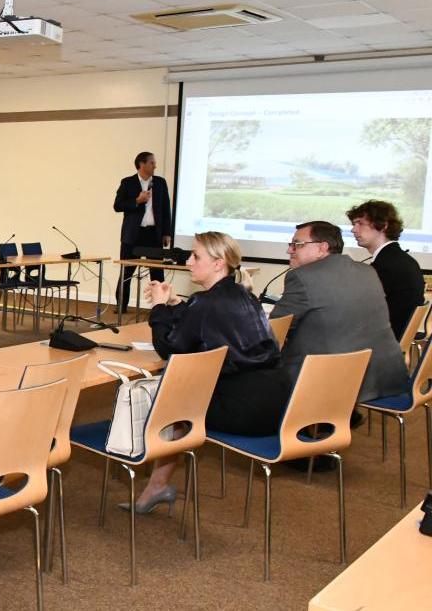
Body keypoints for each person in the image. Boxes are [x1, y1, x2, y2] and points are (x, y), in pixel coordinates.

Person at [125, 232, 289, 512]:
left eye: (195, 256)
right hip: (279, 403)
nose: (188, 262)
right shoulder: (243, 294)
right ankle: (157, 486)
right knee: (185, 395)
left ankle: (156, 486)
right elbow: (198, 323)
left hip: (245, 411)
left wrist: (160, 309)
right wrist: (176, 305)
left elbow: (170, 348)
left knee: (173, 406)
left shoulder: (206, 301)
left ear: (218, 263)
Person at [270, 221, 408, 403]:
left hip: (334, 382)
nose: (290, 250)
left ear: (322, 248)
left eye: (297, 244)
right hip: (384, 376)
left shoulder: (302, 277)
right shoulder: (367, 271)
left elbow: (275, 329)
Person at [346, 200, 425, 340]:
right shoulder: (399, 259)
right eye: (354, 224)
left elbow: (358, 308)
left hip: (381, 342)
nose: (353, 229)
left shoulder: (387, 265)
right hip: (393, 339)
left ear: (383, 226)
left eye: (360, 224)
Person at [113, 151, 172, 313]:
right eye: (152, 163)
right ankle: (121, 306)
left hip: (154, 234)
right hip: (133, 234)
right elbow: (117, 206)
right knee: (126, 271)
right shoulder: (128, 182)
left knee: (157, 273)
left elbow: (166, 209)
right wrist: (137, 201)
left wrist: (167, 232)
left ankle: (160, 307)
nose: (155, 166)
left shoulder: (160, 182)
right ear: (142, 164)